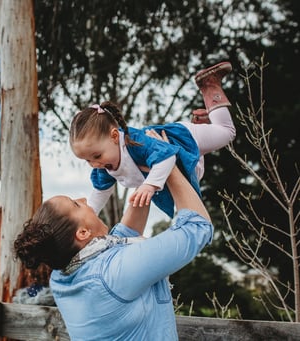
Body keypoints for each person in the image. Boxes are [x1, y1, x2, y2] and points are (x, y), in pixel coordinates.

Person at [13, 161, 214, 340]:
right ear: (83, 233)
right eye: (76, 204)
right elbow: (198, 228)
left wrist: (148, 175)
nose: (84, 199)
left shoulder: (61, 277)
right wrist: (169, 163)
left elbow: (123, 237)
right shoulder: (111, 274)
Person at [69, 61, 236, 218]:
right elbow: (100, 193)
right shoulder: (104, 167)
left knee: (226, 133)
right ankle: (202, 122)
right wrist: (87, 217)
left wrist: (150, 185)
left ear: (114, 136)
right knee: (194, 181)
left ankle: (209, 85)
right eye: (87, 160)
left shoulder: (135, 143)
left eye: (96, 156)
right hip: (181, 155)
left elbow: (166, 157)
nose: (94, 164)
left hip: (184, 137)